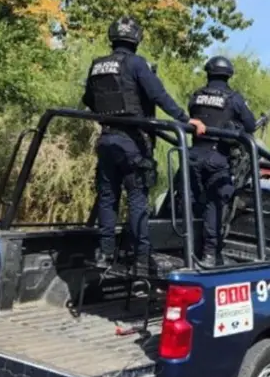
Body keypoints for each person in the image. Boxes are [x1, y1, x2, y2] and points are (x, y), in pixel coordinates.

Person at [82, 16, 206, 276]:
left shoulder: (97, 65)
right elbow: (159, 96)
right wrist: (186, 120)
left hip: (107, 139)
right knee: (137, 198)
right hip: (133, 142)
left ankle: (104, 252)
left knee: (108, 197)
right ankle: (141, 257)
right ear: (136, 38)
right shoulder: (137, 64)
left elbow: (89, 99)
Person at [187, 55, 257, 267]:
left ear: (208, 72)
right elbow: (251, 124)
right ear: (228, 75)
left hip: (193, 155)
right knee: (214, 206)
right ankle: (209, 255)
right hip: (217, 157)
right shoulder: (233, 98)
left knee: (192, 203)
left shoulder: (197, 95)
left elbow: (193, 113)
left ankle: (188, 249)